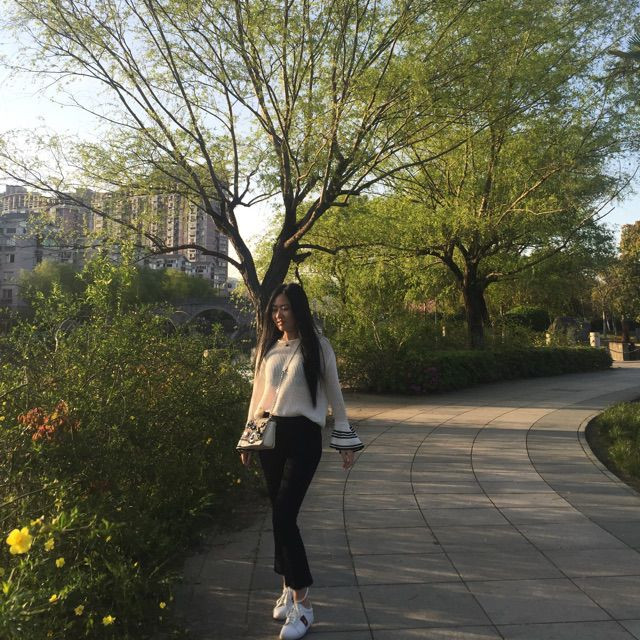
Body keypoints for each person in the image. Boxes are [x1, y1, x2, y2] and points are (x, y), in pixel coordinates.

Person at [240, 282, 363, 640]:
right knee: (279, 517)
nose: (279, 315)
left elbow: (335, 394)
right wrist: (247, 439)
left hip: (304, 438)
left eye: (286, 308)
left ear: (299, 310)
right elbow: (258, 397)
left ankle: (303, 604)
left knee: (284, 516)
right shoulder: (268, 348)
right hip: (271, 436)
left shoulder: (318, 346)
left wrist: (345, 440)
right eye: (275, 308)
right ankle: (286, 587)